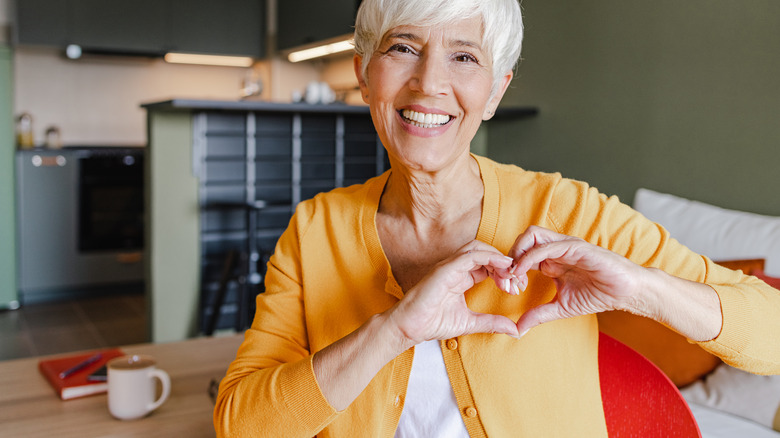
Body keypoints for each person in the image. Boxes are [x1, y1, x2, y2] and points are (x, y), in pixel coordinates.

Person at [214, 0, 780, 436]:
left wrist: (639, 286)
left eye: (464, 56)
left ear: (494, 92)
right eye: (403, 48)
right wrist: (394, 330)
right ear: (364, 76)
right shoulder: (315, 231)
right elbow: (241, 424)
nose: (429, 82)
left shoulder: (570, 211)